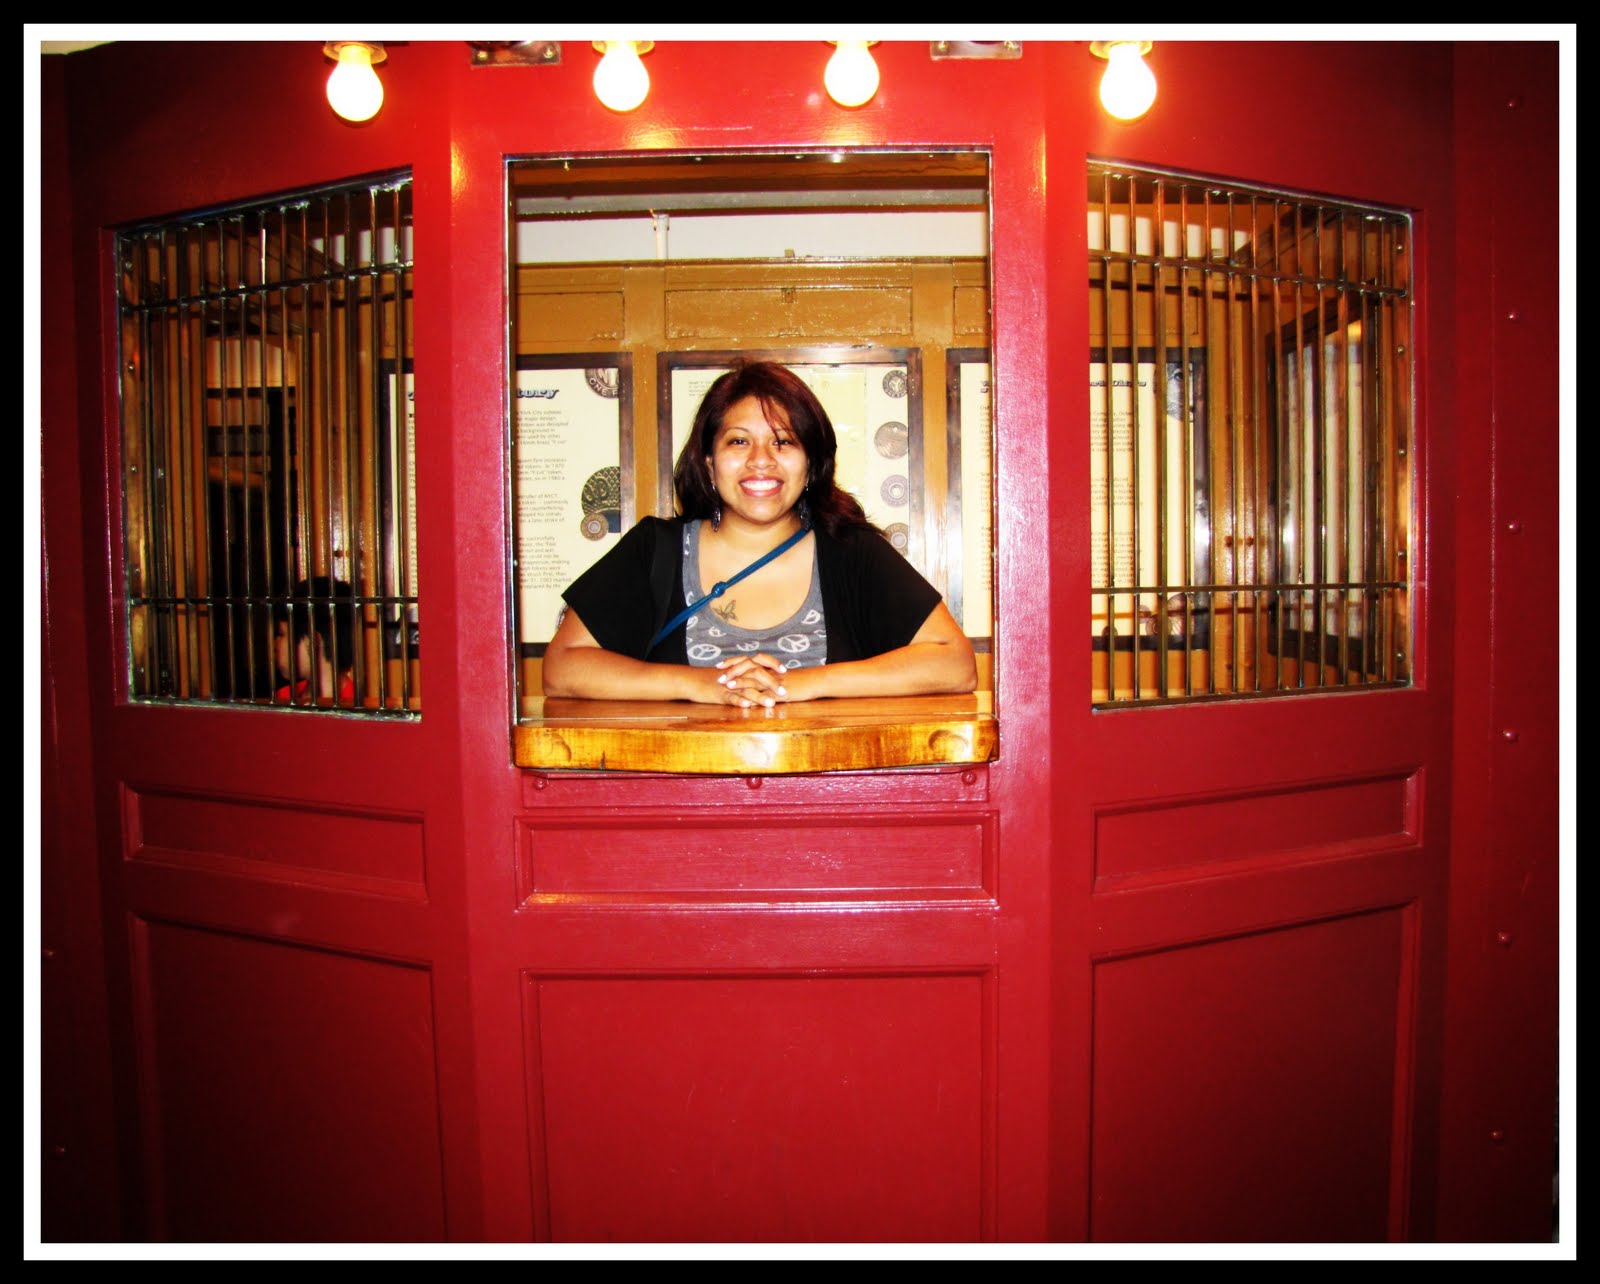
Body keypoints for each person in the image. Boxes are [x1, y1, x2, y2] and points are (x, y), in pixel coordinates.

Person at [543, 361, 976, 708]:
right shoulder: (655, 549)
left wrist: (800, 684)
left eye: (783, 441)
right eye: (738, 442)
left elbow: (955, 664)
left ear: (811, 463)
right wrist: (702, 685)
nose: (761, 461)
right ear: (709, 463)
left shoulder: (851, 551)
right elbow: (563, 669)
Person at [273, 575, 358, 706]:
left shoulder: (356, 707)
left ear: (313, 642)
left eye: (281, 634)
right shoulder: (283, 696)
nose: (275, 643)